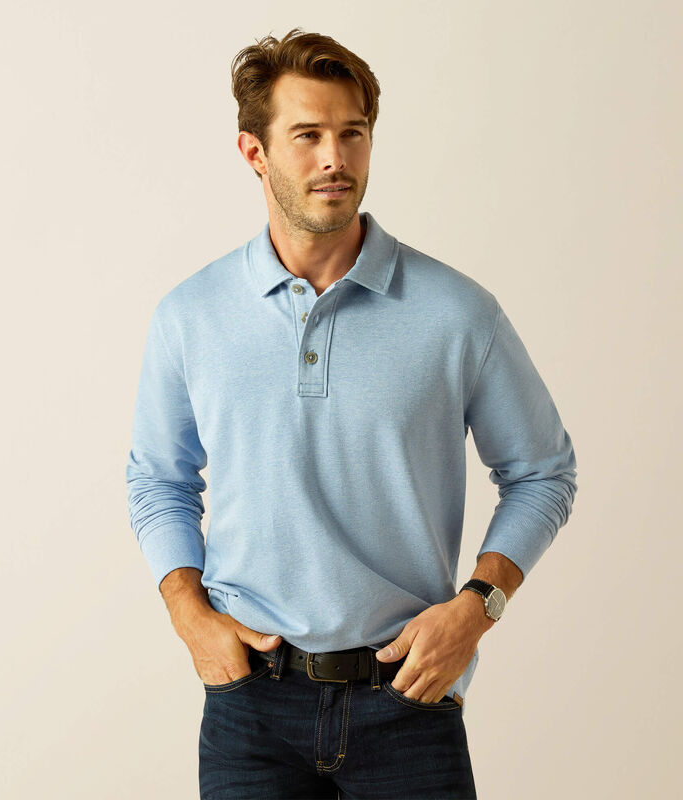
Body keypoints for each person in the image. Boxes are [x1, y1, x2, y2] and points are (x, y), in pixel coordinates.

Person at [126, 27, 577, 800]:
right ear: (254, 152)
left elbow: (543, 472)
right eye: (307, 136)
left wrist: (477, 608)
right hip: (251, 706)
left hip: (408, 698)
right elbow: (158, 479)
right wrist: (188, 613)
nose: (335, 158)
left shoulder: (458, 313)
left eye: (353, 133)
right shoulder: (190, 315)